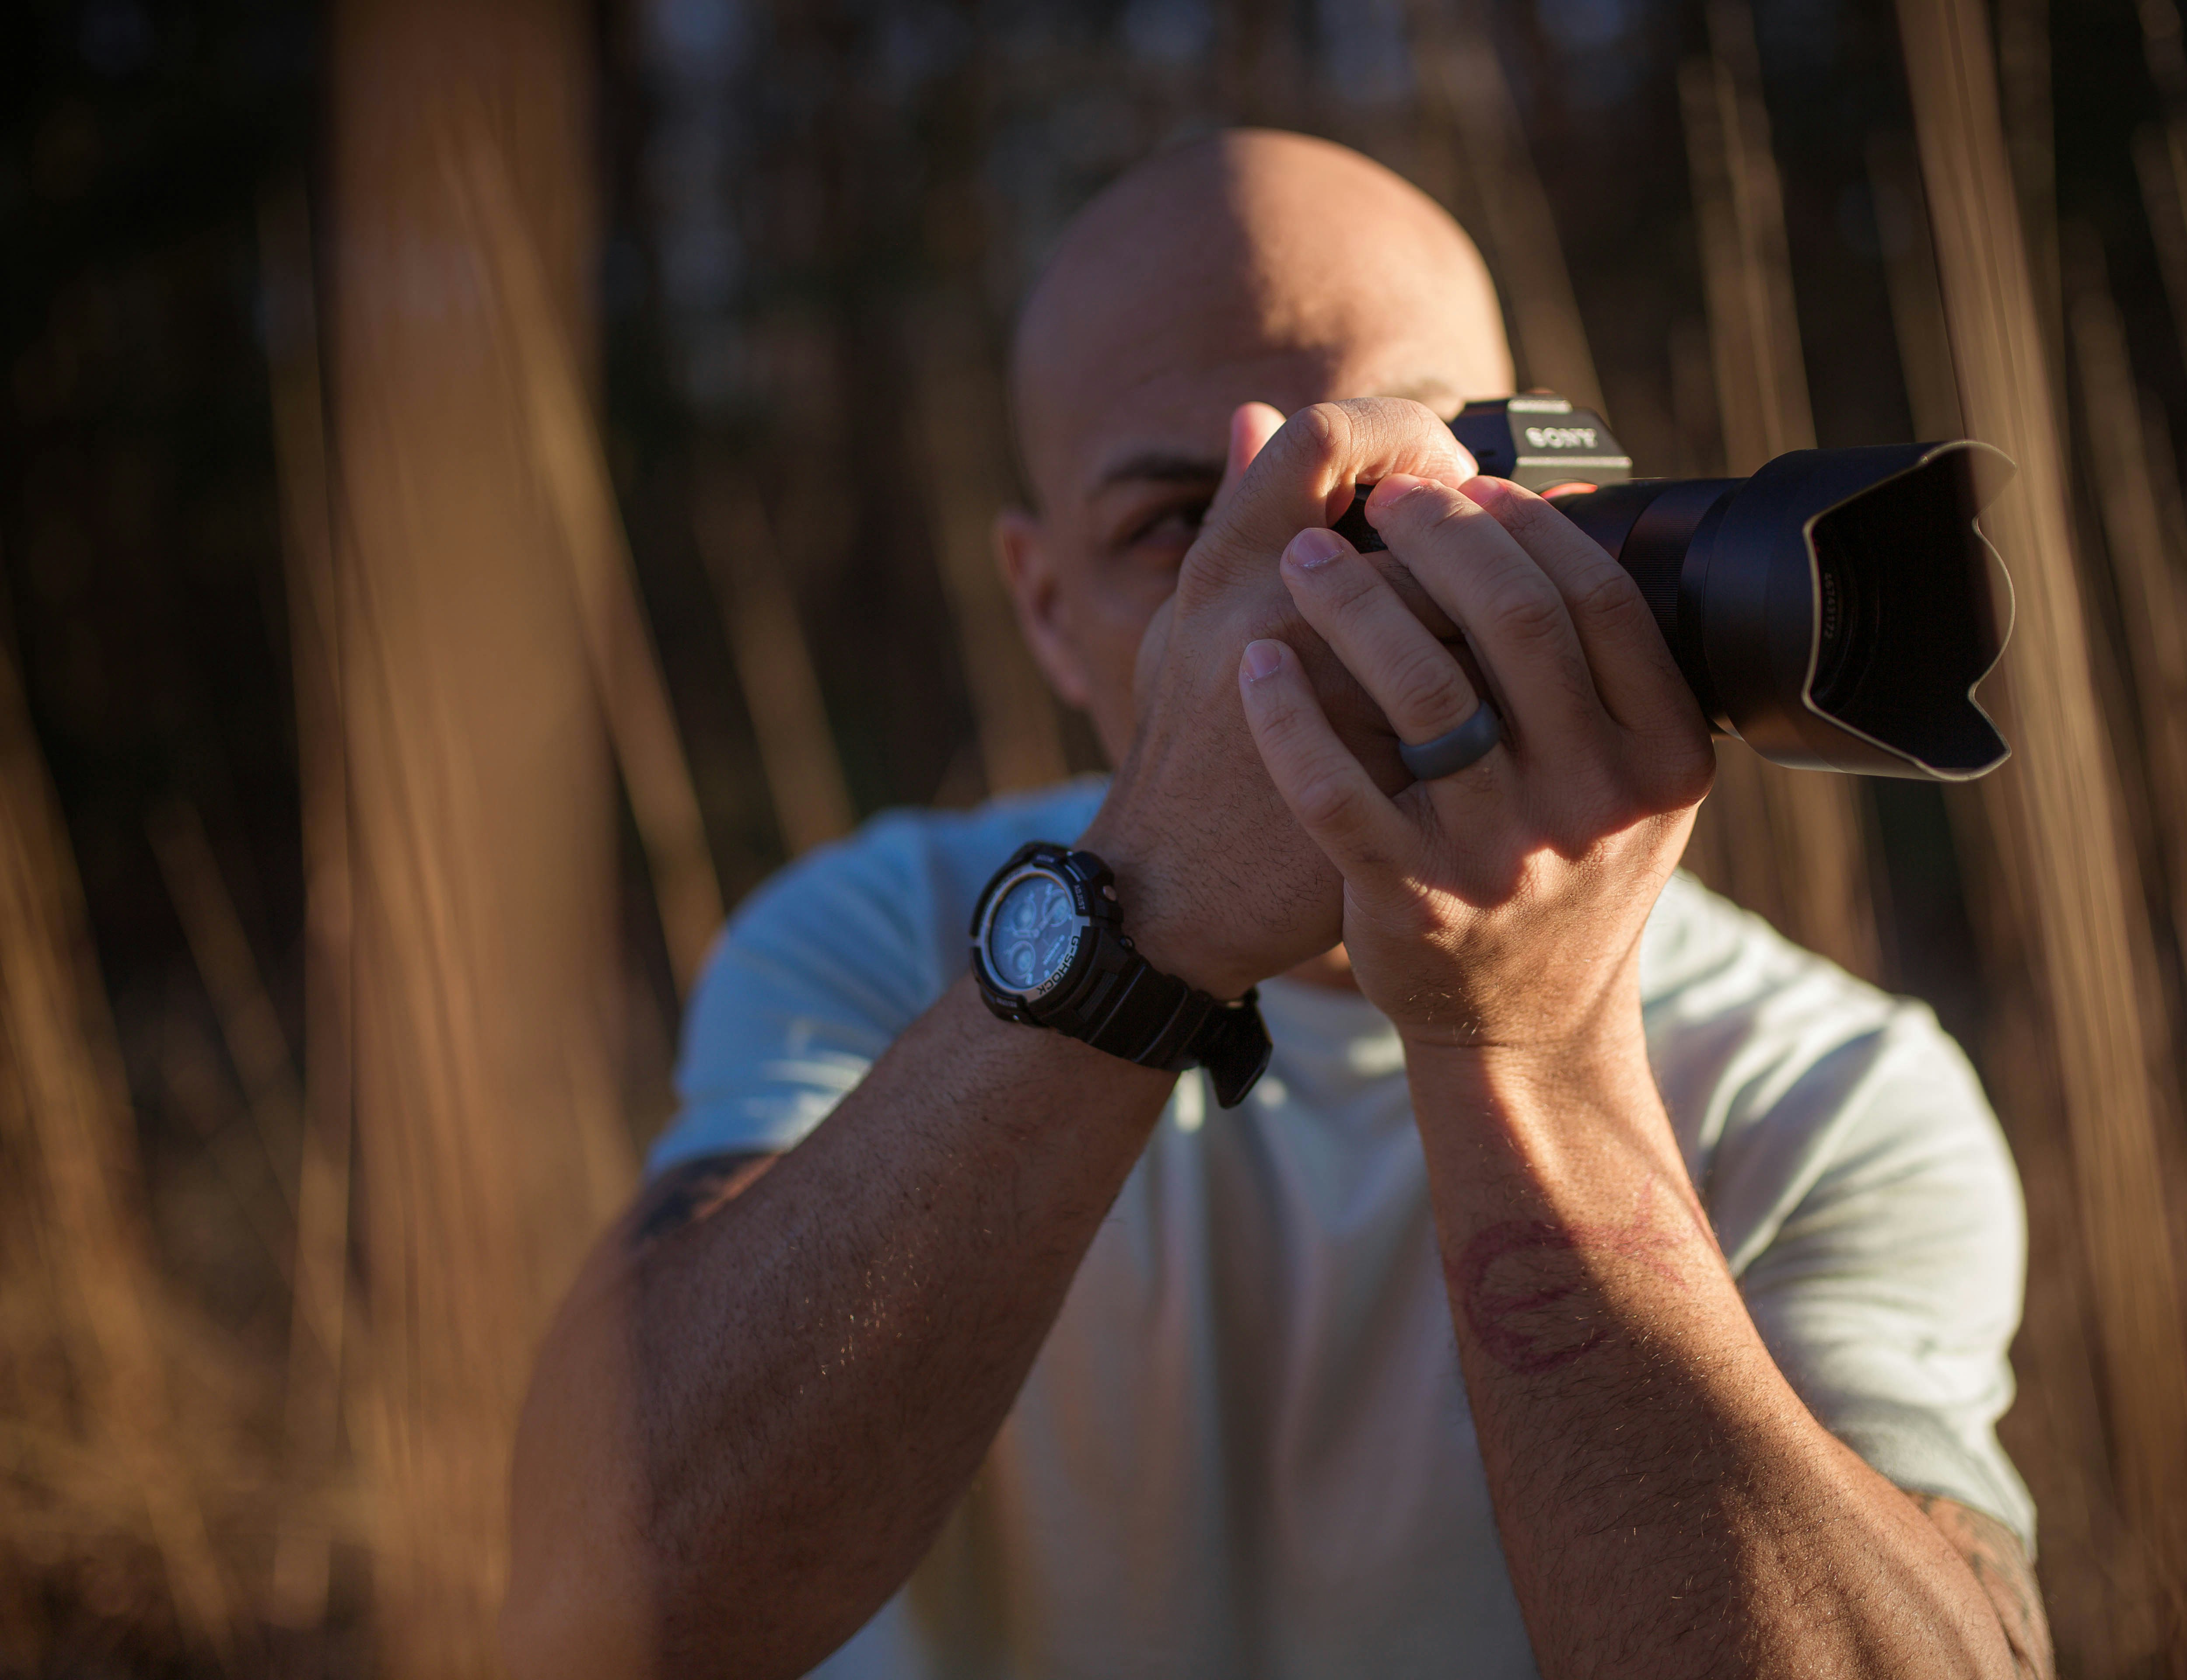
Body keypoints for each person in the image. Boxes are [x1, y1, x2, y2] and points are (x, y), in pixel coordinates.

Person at [501, 129, 2052, 1680]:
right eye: (1185, 527)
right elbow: (599, 1607)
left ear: (1560, 489)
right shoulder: (887, 935)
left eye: (1416, 482)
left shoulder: (1830, 1088)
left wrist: (1540, 1050)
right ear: (1045, 611)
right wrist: (1143, 919)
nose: (1310, 582)